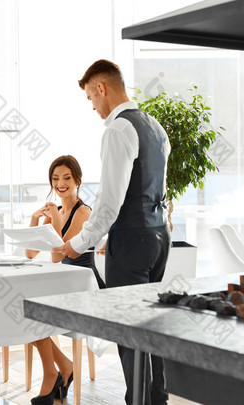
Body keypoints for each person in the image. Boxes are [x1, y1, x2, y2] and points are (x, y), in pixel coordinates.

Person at [53, 59, 172, 405]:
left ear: (101, 88)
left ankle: (138, 401)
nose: (92, 106)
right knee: (151, 324)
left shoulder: (118, 129)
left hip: (133, 241)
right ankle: (156, 398)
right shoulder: (156, 127)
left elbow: (109, 202)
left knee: (128, 327)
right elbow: (154, 191)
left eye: (91, 97)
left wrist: (78, 244)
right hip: (158, 235)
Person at [24, 155, 104, 405]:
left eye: (66, 178)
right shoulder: (57, 212)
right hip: (63, 283)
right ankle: (63, 367)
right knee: (23, 309)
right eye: (55, 178)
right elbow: (30, 253)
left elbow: (61, 256)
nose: (60, 183)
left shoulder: (84, 212)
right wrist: (36, 220)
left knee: (34, 311)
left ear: (77, 180)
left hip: (84, 287)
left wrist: (56, 225)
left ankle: (54, 374)